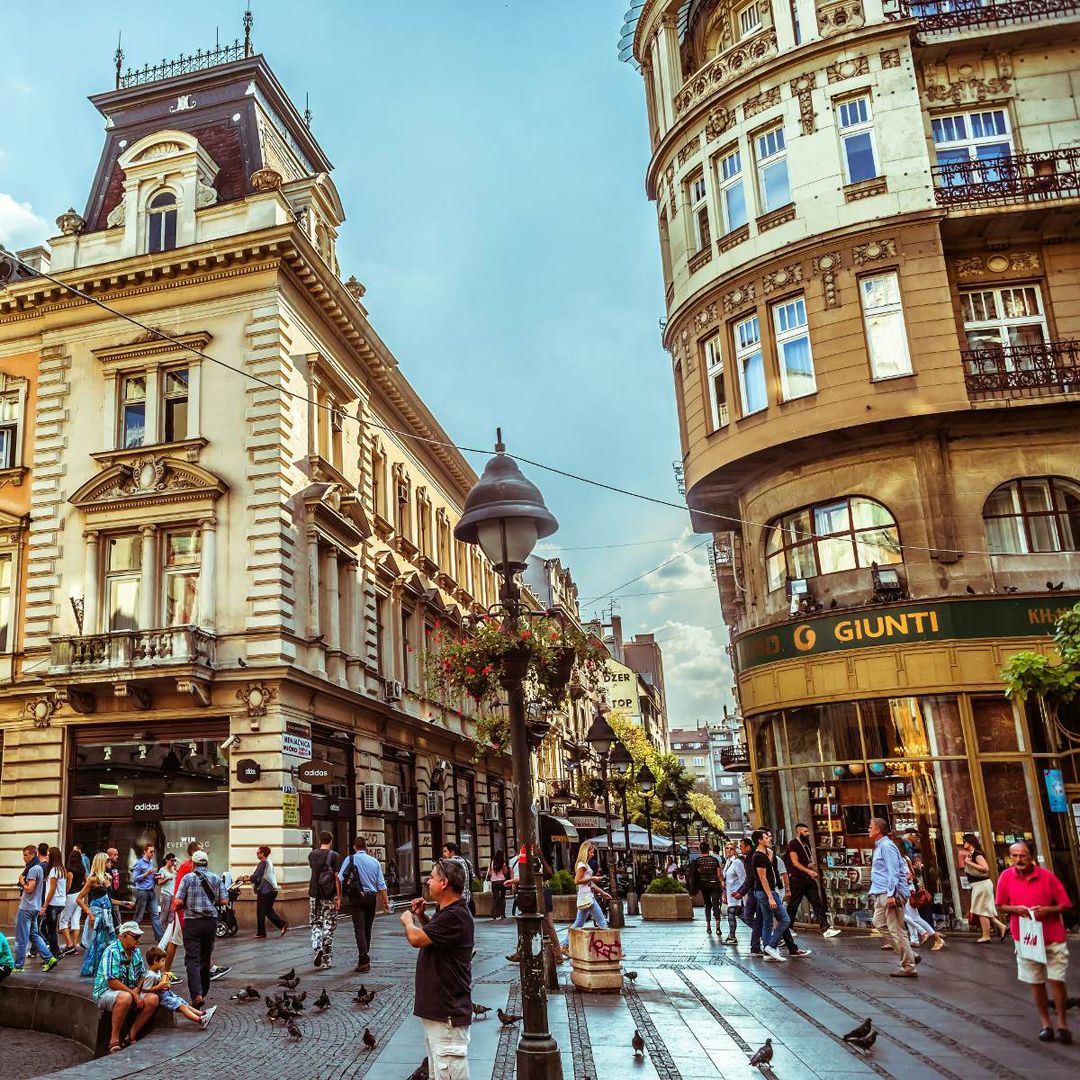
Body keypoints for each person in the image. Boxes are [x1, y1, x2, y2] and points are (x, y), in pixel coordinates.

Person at [401, 857, 474, 1079]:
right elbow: (436, 935)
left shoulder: (455, 916)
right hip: (441, 1013)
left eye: (432, 877)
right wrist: (422, 916)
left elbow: (417, 939)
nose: (428, 882)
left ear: (444, 883)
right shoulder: (448, 913)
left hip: (447, 1014)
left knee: (448, 1070)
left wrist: (408, 921)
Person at [995, 840, 1073, 1043]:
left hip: (1052, 935)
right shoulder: (1006, 877)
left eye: (1022, 855)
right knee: (1036, 981)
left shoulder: (1047, 877)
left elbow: (1065, 905)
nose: (1018, 860)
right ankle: (1046, 1024)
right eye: (1014, 856)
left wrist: (1047, 910)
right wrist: (1015, 909)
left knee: (1056, 980)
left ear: (1031, 856)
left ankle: (1062, 1023)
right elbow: (1000, 905)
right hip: (1026, 937)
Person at [92, 921, 157, 1054]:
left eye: (139, 937)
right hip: (106, 992)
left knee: (153, 999)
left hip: (131, 990)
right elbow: (112, 982)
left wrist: (137, 989)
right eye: (136, 937)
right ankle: (114, 1039)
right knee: (125, 997)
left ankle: (132, 1033)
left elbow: (142, 974)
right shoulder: (111, 951)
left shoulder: (136, 951)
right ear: (124, 936)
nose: (138, 940)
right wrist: (134, 994)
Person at [173, 849, 227, 1007]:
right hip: (210, 923)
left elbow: (177, 902)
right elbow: (224, 901)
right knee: (205, 956)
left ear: (193, 864)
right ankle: (203, 991)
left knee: (192, 959)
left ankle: (196, 995)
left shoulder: (187, 878)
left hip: (192, 922)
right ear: (207, 863)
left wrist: (185, 903)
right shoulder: (216, 878)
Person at [868, 817, 917, 977]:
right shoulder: (880, 846)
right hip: (880, 891)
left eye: (870, 827)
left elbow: (893, 871)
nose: (868, 829)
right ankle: (910, 955)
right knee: (879, 923)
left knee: (896, 929)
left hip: (890, 893)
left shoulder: (887, 846)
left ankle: (909, 966)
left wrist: (891, 894)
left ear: (878, 830)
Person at [338, 836, 390, 973]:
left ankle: (364, 959)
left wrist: (339, 897)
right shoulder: (374, 862)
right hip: (371, 898)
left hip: (356, 898)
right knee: (367, 927)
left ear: (354, 847)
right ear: (366, 847)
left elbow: (340, 878)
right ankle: (364, 955)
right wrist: (385, 902)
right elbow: (381, 884)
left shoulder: (349, 859)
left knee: (359, 928)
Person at [785, 824, 840, 938]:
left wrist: (811, 867)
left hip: (808, 879)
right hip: (797, 879)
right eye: (805, 831)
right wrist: (809, 872)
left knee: (817, 903)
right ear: (799, 832)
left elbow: (807, 860)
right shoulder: (793, 844)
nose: (808, 833)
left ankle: (825, 928)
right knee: (794, 904)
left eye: (808, 831)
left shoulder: (806, 844)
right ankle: (787, 928)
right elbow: (795, 862)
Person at [142, 946, 215, 1028]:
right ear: (155, 961)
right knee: (182, 1007)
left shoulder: (157, 972)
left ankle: (202, 1014)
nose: (164, 963)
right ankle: (200, 1020)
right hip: (163, 998)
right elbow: (146, 989)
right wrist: (160, 986)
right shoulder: (150, 975)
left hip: (167, 994)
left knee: (183, 1003)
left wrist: (165, 982)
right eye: (162, 961)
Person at [12, 844, 59, 973]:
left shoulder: (34, 869)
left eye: (26, 855)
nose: (24, 857)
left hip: (27, 908)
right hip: (35, 907)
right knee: (34, 935)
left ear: (34, 854)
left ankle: (18, 966)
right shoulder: (41, 869)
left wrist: (22, 880)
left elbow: (29, 888)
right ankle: (49, 958)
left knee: (21, 937)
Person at [751, 829, 790, 962]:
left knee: (767, 922)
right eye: (766, 838)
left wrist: (771, 855)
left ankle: (768, 952)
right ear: (759, 841)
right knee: (785, 919)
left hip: (764, 892)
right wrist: (770, 897)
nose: (769, 839)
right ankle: (771, 946)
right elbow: (763, 878)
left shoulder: (762, 855)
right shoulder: (759, 856)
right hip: (767, 892)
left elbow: (769, 872)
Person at [961, 833, 1008, 943]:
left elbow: (985, 868)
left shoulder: (977, 854)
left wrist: (969, 863)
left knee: (981, 910)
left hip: (981, 884)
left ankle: (986, 936)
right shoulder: (971, 854)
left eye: (965, 842)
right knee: (983, 909)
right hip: (978, 885)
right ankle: (1002, 927)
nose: (963, 844)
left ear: (970, 842)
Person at [78, 852, 118, 977]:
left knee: (108, 943)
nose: (110, 863)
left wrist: (124, 903)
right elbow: (79, 899)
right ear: (101, 863)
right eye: (107, 861)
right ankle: (95, 970)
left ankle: (105, 969)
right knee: (97, 943)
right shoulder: (93, 879)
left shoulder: (107, 878)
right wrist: (89, 914)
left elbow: (108, 899)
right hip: (97, 915)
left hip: (107, 915)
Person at [562, 841, 610, 946]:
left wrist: (602, 892)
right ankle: (609, 947)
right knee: (602, 923)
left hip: (585, 897)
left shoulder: (584, 865)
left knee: (579, 923)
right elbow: (577, 881)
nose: (592, 854)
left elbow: (590, 884)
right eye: (591, 852)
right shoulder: (582, 865)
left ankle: (565, 944)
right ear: (585, 852)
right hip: (587, 897)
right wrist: (593, 878)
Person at [308, 831, 342, 970]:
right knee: (328, 926)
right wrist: (339, 896)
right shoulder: (335, 856)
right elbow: (337, 877)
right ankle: (326, 961)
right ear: (331, 841)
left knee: (315, 923)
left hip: (314, 895)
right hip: (329, 896)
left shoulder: (312, 855)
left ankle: (317, 947)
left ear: (319, 840)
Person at [240, 846, 288, 938]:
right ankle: (282, 925)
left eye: (258, 853)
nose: (257, 854)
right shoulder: (269, 862)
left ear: (262, 854)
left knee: (260, 912)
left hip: (265, 891)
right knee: (268, 910)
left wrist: (243, 879)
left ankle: (261, 932)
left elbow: (255, 876)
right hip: (273, 890)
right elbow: (258, 876)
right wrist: (249, 878)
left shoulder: (263, 862)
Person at [130, 843, 165, 940]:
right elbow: (135, 878)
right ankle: (132, 937)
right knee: (139, 916)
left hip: (151, 892)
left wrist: (156, 877)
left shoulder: (151, 863)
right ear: (144, 851)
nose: (152, 854)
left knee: (155, 915)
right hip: (142, 892)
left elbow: (151, 878)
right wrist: (146, 873)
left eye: (153, 852)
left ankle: (160, 939)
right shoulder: (139, 863)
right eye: (151, 852)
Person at [690, 841, 723, 935]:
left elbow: (696, 874)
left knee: (707, 905)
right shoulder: (715, 860)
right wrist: (722, 884)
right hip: (715, 885)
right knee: (716, 905)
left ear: (700, 850)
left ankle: (708, 926)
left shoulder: (698, 861)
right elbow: (719, 874)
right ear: (709, 849)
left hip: (704, 885)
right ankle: (718, 927)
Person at [42, 846, 68, 960]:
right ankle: (55, 950)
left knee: (50, 930)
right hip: (61, 902)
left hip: (53, 903)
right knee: (49, 928)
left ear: (52, 856)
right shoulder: (62, 869)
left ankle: (55, 952)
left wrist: (45, 905)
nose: (47, 857)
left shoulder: (54, 870)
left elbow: (52, 889)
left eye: (48, 855)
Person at [61, 845, 87, 956]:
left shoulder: (70, 870)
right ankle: (75, 945)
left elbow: (69, 885)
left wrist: (64, 894)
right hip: (80, 895)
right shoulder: (82, 869)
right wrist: (83, 891)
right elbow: (86, 881)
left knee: (63, 921)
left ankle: (69, 944)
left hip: (71, 895)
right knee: (76, 921)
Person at [721, 840, 745, 945]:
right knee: (743, 917)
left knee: (731, 914)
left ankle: (732, 937)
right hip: (730, 894)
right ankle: (761, 932)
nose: (729, 850)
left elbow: (743, 879)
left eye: (731, 848)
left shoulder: (737, 862)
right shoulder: (727, 862)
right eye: (727, 848)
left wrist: (741, 893)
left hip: (736, 895)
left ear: (735, 850)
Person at [442, 843, 475, 909]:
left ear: (452, 852)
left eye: (445, 851)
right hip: (467, 898)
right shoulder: (467, 862)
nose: (444, 854)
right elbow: (473, 877)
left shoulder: (448, 863)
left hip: (454, 900)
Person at [486, 850, 509, 920]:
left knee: (495, 898)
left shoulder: (492, 862)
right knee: (502, 898)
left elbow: (489, 872)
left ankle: (493, 913)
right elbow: (505, 871)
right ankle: (503, 914)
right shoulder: (502, 862)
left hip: (494, 882)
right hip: (502, 881)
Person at [157, 852, 177, 926]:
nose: (173, 862)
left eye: (174, 860)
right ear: (167, 860)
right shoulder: (162, 870)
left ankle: (168, 932)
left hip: (173, 894)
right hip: (165, 894)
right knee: (164, 915)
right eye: (172, 860)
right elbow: (159, 883)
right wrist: (167, 879)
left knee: (171, 915)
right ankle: (160, 931)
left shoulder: (174, 869)